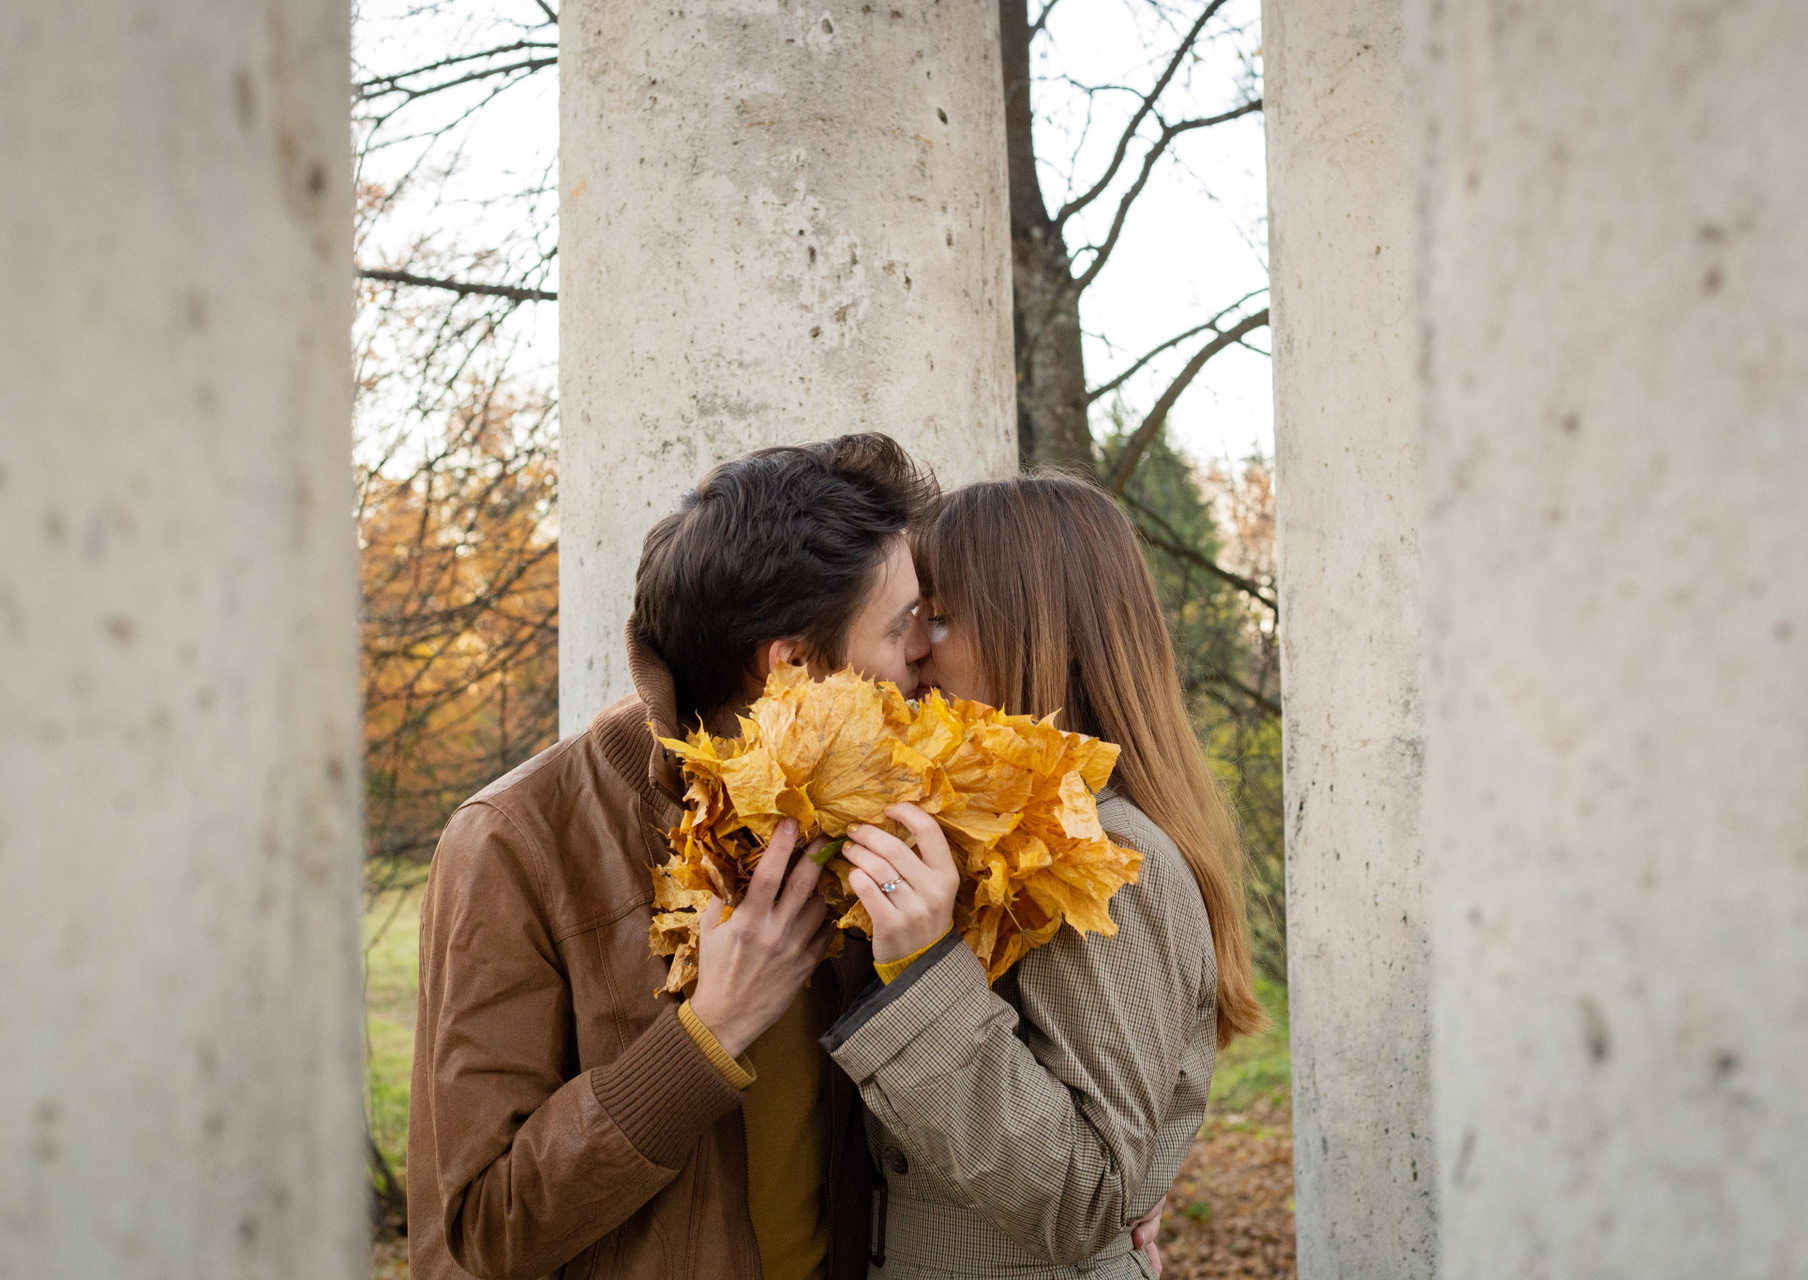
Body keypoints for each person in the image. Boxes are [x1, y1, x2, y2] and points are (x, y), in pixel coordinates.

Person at [407, 434, 939, 1280]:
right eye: (901, 625)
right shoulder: (513, 841)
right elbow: (481, 1227)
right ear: (794, 666)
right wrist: (706, 1035)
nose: (924, 653)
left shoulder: (865, 811)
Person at [820, 472, 1266, 1278]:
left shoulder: (1105, 858)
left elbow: (1089, 1197)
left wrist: (922, 971)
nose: (915, 647)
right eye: (910, 618)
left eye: (940, 617)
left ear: (1043, 635)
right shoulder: (990, 833)